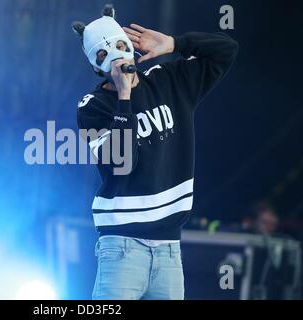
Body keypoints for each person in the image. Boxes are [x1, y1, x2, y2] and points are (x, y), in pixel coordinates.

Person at [72, 4, 238, 300]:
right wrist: (124, 98)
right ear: (96, 67)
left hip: (170, 250)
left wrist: (175, 43)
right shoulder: (93, 107)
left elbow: (226, 50)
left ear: (131, 46)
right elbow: (121, 165)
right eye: (102, 53)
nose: (114, 54)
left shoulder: (168, 80)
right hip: (122, 247)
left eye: (120, 44)